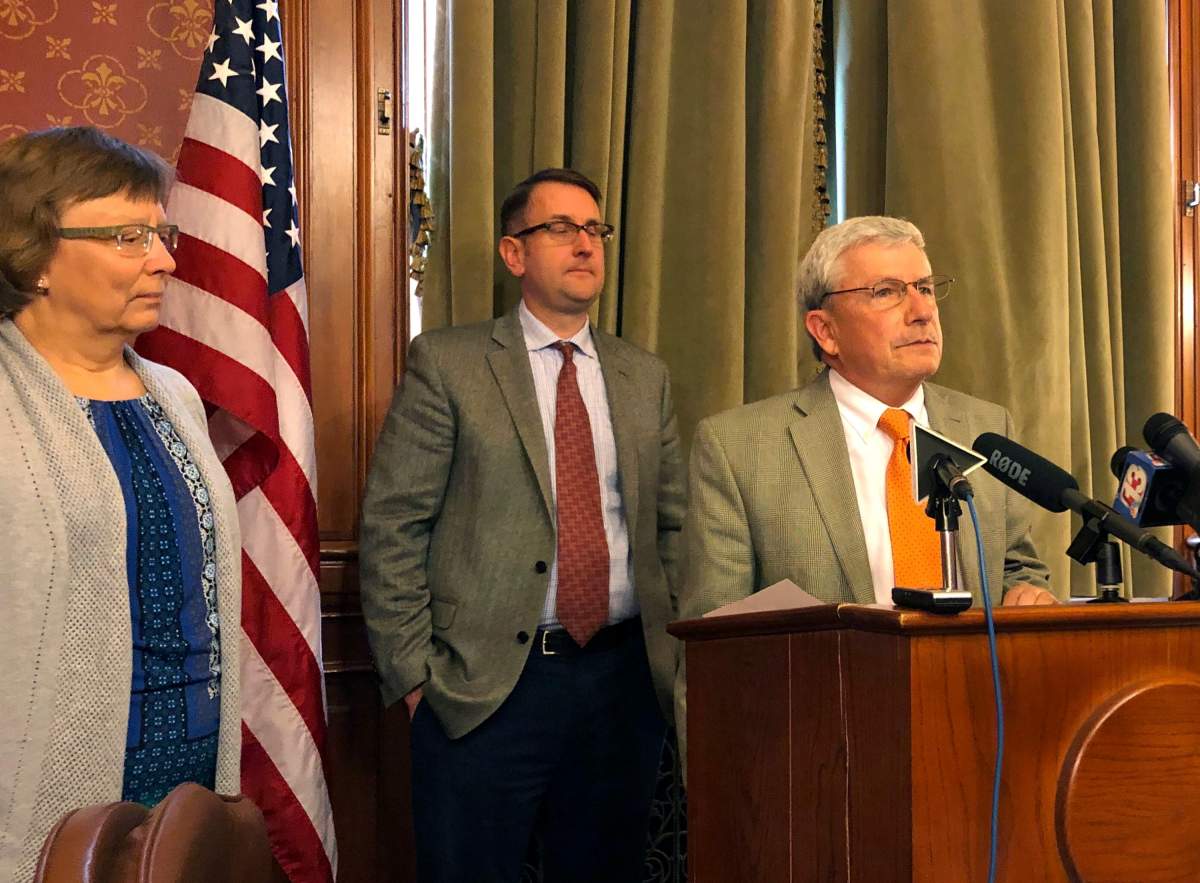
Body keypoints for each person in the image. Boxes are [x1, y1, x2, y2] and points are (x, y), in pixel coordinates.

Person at [360, 167, 685, 883]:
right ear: (515, 253)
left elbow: (673, 529)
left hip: (622, 682)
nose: (584, 244)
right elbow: (392, 526)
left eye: (594, 229)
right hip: (484, 688)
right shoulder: (450, 364)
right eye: (561, 228)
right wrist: (416, 679)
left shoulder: (644, 376)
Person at [0, 127, 242, 883]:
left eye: (160, 232)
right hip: (48, 779)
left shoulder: (175, 395)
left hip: (191, 769)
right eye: (127, 235)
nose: (165, 258)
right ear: (36, 255)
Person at [679, 214, 1053, 631]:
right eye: (887, 292)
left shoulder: (985, 430)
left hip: (970, 690)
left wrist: (1027, 593)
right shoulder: (738, 448)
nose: (923, 311)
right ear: (826, 330)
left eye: (926, 288)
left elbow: (1017, 569)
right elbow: (709, 644)